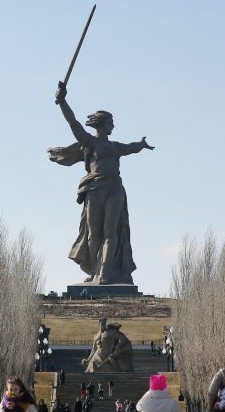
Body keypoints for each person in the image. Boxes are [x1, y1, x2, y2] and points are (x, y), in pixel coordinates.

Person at [48, 82, 154, 284]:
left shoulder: (115, 147)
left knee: (110, 232)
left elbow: (131, 147)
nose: (113, 126)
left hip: (114, 190)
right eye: (111, 122)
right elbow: (73, 123)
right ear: (102, 123)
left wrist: (141, 144)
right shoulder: (90, 142)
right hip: (94, 190)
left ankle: (105, 272)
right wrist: (62, 101)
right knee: (93, 235)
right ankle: (96, 270)